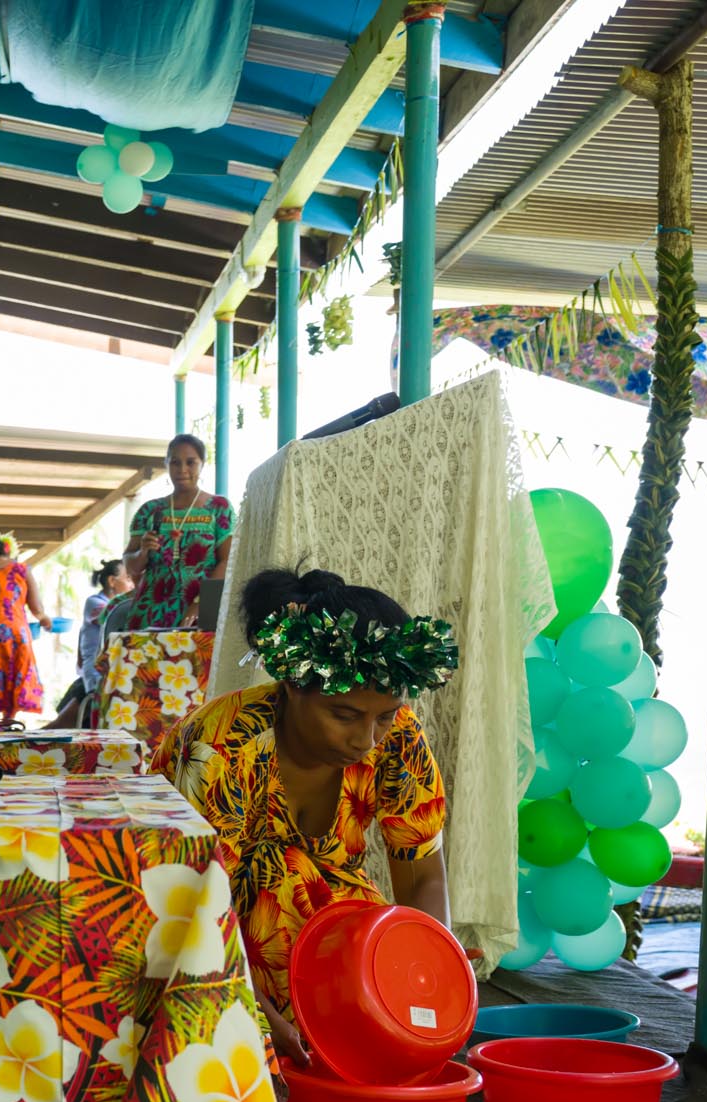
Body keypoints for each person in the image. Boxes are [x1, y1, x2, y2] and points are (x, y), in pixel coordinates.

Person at [156, 567, 463, 1067]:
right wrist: (260, 1016)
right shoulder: (220, 746)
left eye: (383, 716)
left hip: (334, 929)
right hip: (208, 931)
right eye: (344, 716)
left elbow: (423, 869)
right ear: (293, 686)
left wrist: (428, 980)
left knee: (372, 964)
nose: (367, 740)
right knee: (285, 880)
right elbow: (194, 907)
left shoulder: (399, 736)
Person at [121, 434, 234, 630]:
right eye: (175, 463)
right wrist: (143, 553)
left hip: (199, 612)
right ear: (166, 465)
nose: (182, 470)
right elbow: (131, 566)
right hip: (151, 611)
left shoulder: (218, 507)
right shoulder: (149, 510)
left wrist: (200, 604)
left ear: (202, 464)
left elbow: (227, 560)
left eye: (190, 462)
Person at [0, 534, 60, 731]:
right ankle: (9, 718)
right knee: (16, 669)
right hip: (10, 625)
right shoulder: (20, 569)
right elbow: (35, 604)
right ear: (8, 551)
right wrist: (43, 618)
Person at [78, 557, 134, 690]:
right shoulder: (94, 602)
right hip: (96, 669)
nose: (132, 585)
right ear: (112, 581)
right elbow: (110, 616)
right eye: (128, 579)